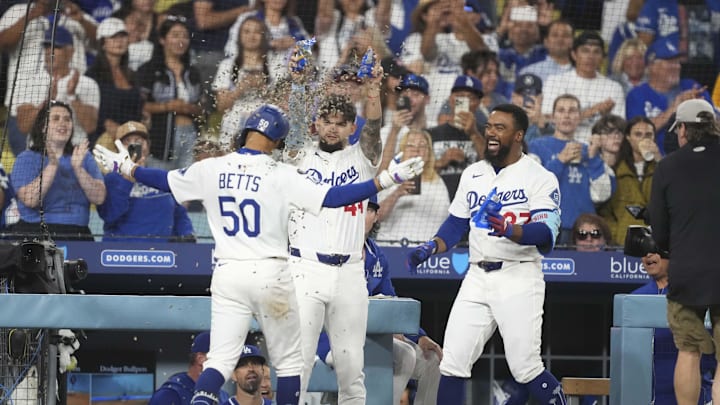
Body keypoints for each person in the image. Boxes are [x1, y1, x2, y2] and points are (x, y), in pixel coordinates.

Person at [92, 103, 423, 405]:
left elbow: (163, 179)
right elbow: (335, 197)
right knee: (292, 362)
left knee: (220, 360)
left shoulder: (215, 168)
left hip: (227, 274)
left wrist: (126, 168)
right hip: (271, 276)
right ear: (277, 142)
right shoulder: (280, 174)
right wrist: (385, 180)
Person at [406, 103, 566, 405]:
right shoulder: (473, 173)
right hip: (477, 276)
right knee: (452, 361)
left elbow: (546, 234)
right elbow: (456, 223)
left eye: (500, 128)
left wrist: (513, 230)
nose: (491, 133)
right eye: (489, 126)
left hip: (519, 274)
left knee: (526, 367)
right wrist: (432, 246)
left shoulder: (539, 177)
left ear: (518, 135)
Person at [282, 51, 384, 405]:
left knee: (351, 367)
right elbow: (293, 125)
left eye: (340, 122)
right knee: (298, 363)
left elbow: (373, 129)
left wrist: (373, 89)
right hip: (304, 268)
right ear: (316, 123)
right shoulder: (300, 154)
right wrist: (297, 83)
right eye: (326, 120)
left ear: (349, 128)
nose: (332, 127)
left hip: (349, 272)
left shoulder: (362, 158)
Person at [316, 196, 443, 404]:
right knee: (403, 355)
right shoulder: (328, 249)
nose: (360, 215)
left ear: (376, 216)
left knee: (432, 360)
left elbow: (391, 301)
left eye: (368, 210)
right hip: (331, 339)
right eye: (356, 209)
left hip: (373, 341)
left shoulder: (377, 256)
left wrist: (419, 336)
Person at [648, 98, 720, 405]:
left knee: (689, 351)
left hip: (686, 273)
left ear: (684, 130)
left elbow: (659, 232)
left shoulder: (668, 166)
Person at [10, 101, 106, 241]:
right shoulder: (26, 158)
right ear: (43, 127)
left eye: (67, 119)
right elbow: (30, 200)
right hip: (35, 232)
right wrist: (53, 166)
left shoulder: (83, 157)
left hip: (77, 234)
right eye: (55, 118)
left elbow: (99, 197)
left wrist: (78, 169)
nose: (63, 123)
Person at [529, 94, 614, 244]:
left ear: (579, 117)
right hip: (547, 226)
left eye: (572, 111)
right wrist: (560, 160)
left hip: (583, 233)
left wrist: (594, 158)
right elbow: (532, 187)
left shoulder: (590, 150)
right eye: (561, 110)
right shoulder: (537, 146)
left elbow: (601, 195)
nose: (567, 115)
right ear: (553, 117)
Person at [632, 253, 716, 405]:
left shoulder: (698, 298)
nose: (648, 255)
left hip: (697, 396)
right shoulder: (634, 299)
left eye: (655, 250)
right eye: (644, 252)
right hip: (649, 397)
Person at [97, 121, 195, 242]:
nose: (133, 145)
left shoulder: (160, 175)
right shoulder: (111, 178)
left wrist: (187, 234)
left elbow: (179, 214)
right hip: (120, 254)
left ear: (148, 146)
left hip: (160, 255)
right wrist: (127, 181)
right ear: (119, 149)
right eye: (127, 142)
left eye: (138, 141)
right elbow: (109, 215)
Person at [136, 16, 204, 170]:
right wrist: (169, 106)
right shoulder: (149, 70)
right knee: (159, 184)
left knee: (187, 185)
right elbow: (139, 105)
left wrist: (190, 109)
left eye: (185, 36)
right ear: (162, 39)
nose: (181, 40)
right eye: (175, 35)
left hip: (191, 136)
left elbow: (203, 108)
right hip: (160, 138)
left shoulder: (193, 72)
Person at [625, 38, 713, 155]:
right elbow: (638, 134)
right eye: (670, 62)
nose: (677, 67)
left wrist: (699, 109)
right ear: (652, 66)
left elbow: (716, 125)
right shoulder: (637, 95)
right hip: (654, 162)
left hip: (695, 158)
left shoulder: (692, 87)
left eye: (677, 62)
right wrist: (675, 108)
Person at [15, 26, 100, 147]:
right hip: (40, 152)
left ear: (70, 52)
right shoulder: (30, 81)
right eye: (47, 46)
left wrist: (72, 96)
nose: (50, 51)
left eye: (56, 47)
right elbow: (23, 126)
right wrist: (47, 102)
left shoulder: (87, 83)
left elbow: (90, 126)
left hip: (74, 153)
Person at [541, 31, 626, 145]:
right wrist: (593, 111)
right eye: (585, 51)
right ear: (574, 54)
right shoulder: (556, 81)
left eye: (596, 52)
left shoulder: (614, 88)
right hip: (561, 144)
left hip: (599, 147)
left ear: (603, 58)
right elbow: (548, 122)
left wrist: (606, 116)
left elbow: (619, 128)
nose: (590, 57)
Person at [377, 130, 450, 245]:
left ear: (429, 153)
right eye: (410, 145)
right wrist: (397, 193)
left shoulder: (437, 182)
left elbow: (446, 221)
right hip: (392, 248)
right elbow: (377, 216)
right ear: (401, 152)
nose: (416, 150)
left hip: (427, 253)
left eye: (422, 145)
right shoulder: (390, 178)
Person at [598, 117, 659, 244]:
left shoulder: (662, 169)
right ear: (628, 137)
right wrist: (616, 234)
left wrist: (659, 159)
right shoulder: (615, 172)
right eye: (638, 134)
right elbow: (605, 212)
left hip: (656, 241)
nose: (643, 138)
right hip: (623, 242)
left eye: (648, 134)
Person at [86, 17, 144, 144]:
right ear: (103, 43)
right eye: (113, 37)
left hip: (131, 140)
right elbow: (88, 111)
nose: (120, 41)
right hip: (102, 141)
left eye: (122, 37)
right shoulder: (93, 75)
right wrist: (107, 124)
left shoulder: (132, 75)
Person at [428, 75, 485, 199]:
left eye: (471, 98)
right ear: (450, 99)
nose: (465, 101)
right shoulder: (431, 134)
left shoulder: (488, 132)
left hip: (476, 200)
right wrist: (440, 162)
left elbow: (495, 167)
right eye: (460, 96)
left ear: (478, 103)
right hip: (438, 201)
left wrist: (474, 133)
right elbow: (417, 176)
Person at [149, 331, 230, 405]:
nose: (226, 364)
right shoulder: (169, 395)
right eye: (220, 359)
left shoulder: (223, 396)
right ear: (201, 359)